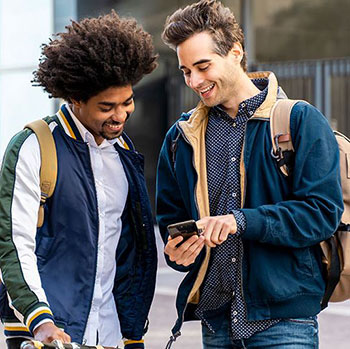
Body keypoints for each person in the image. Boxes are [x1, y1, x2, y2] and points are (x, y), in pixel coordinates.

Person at [156, 0, 343, 348]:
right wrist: (179, 253)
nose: (194, 81)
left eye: (203, 66)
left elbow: (321, 214)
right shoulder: (180, 138)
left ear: (236, 53)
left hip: (285, 324)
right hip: (215, 324)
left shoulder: (300, 121)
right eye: (185, 71)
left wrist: (239, 221)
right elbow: (173, 223)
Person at [0, 10, 158, 349]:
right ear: (75, 100)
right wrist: (40, 321)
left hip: (114, 333)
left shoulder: (125, 150)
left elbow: (129, 246)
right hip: (49, 334)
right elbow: (14, 244)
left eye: (127, 103)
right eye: (106, 107)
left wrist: (131, 330)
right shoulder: (33, 147)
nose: (120, 115)